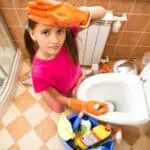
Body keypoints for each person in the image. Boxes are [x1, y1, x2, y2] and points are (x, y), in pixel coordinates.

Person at [24, 0, 108, 115]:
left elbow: (102, 12)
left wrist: (75, 13)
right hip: (59, 91)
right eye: (46, 32)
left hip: (75, 79)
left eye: (59, 31)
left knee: (73, 95)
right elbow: (57, 96)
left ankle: (45, 87)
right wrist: (82, 105)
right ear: (33, 34)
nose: (55, 41)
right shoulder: (38, 72)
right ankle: (42, 89)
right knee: (59, 109)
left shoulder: (68, 38)